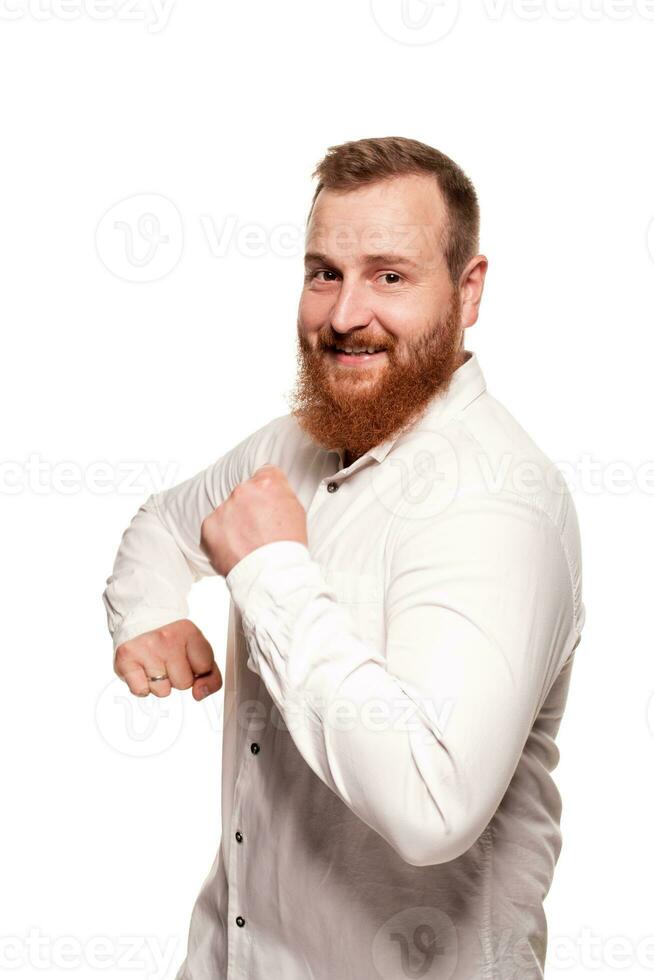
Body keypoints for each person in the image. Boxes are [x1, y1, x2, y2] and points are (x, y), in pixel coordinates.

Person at [102, 136, 585, 979]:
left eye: (389, 276)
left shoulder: (500, 503)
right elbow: (163, 522)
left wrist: (271, 573)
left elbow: (431, 804)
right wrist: (150, 613)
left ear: (468, 291)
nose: (343, 314)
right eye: (324, 271)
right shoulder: (289, 446)